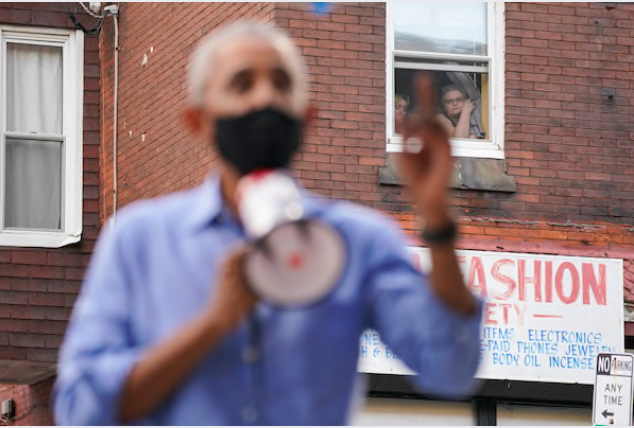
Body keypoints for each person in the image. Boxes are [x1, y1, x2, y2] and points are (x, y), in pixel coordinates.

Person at [53, 22, 483, 425]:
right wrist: (213, 324)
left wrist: (436, 216)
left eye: (281, 84)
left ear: (307, 117)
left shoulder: (359, 241)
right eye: (242, 84)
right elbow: (81, 409)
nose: (265, 99)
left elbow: (449, 368)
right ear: (197, 119)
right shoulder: (138, 240)